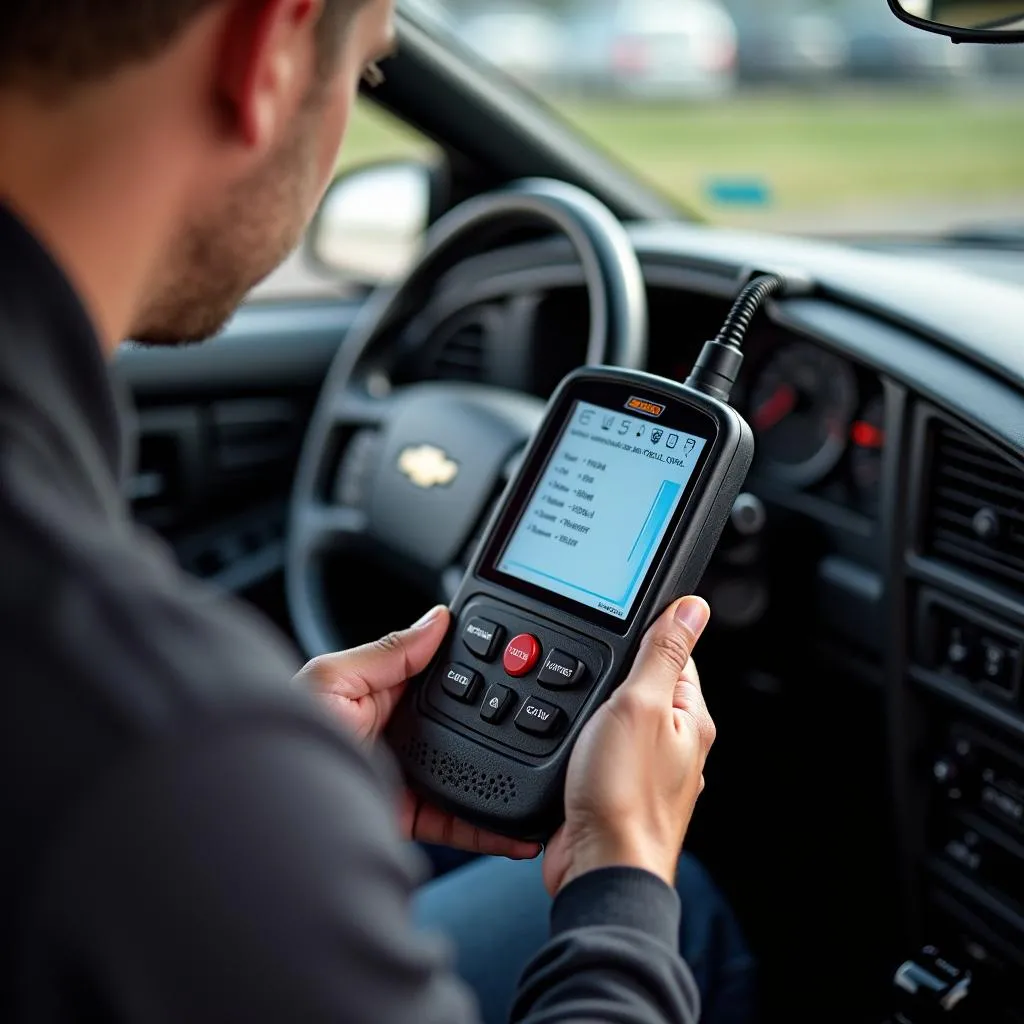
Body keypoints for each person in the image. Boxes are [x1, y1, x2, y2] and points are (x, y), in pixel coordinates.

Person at [0, 1, 754, 1022]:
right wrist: (622, 879)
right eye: (363, 75)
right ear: (267, 46)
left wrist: (271, 800)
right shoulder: (155, 749)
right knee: (693, 909)